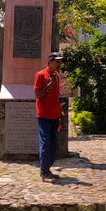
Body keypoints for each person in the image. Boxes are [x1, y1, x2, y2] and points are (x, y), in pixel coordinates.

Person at [34, 52, 65, 182]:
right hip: (44, 115)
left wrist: (60, 111)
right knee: (45, 143)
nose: (59, 64)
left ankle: (48, 169)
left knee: (53, 144)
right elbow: (37, 95)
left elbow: (55, 96)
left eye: (60, 62)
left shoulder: (56, 76)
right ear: (50, 61)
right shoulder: (40, 75)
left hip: (54, 114)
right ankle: (44, 172)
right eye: (57, 62)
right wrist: (48, 86)